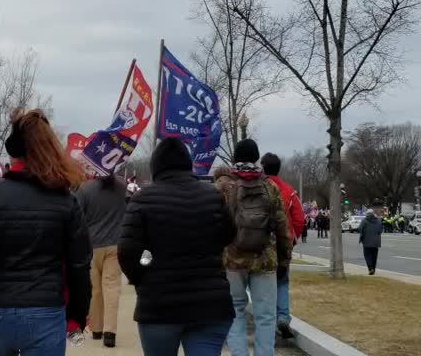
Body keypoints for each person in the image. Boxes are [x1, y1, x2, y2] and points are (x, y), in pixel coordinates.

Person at [0, 108, 92, 356]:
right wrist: (78, 313)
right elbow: (79, 264)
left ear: (13, 152)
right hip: (45, 311)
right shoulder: (66, 201)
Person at [119, 138, 236, 356]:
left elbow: (127, 252)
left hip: (159, 305)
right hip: (210, 304)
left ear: (156, 167)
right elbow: (229, 235)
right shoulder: (213, 196)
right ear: (188, 164)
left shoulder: (142, 200)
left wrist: (142, 278)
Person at [215, 139, 291, 356]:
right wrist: (285, 259)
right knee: (266, 317)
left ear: (235, 159)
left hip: (231, 259)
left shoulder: (223, 186)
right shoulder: (269, 186)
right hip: (264, 259)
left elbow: (213, 224)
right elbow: (282, 227)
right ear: (257, 158)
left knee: (235, 312)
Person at [75, 174, 126, 348]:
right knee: (112, 288)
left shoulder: (85, 188)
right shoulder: (121, 186)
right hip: (114, 243)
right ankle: (110, 331)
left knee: (94, 289)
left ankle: (96, 328)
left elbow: (77, 217)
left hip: (92, 246)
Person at [261, 153, 305, 339]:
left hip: (262, 244)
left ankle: (268, 319)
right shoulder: (289, 191)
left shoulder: (259, 187)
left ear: (263, 167)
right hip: (283, 244)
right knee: (282, 281)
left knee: (262, 283)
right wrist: (292, 239)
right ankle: (283, 317)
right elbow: (299, 218)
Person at [359, 209, 383, 275]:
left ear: (367, 214)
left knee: (367, 255)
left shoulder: (364, 220)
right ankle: (373, 269)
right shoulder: (378, 220)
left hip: (366, 241)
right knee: (374, 256)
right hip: (376, 242)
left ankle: (370, 268)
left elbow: (360, 228)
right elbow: (381, 229)